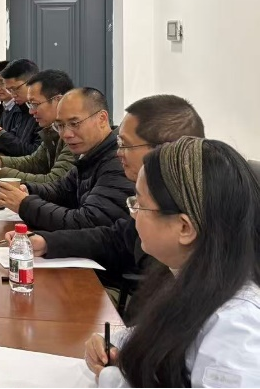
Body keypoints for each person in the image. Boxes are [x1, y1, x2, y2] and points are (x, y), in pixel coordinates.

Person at [3, 95, 206, 318]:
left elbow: (92, 222)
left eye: (125, 145)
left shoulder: (185, 211)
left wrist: (26, 204)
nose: (119, 152)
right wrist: (47, 242)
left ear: (164, 150)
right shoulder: (154, 190)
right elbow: (115, 237)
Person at [84, 137, 260, 387]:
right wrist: (111, 342)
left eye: (140, 204)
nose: (133, 213)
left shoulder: (237, 326)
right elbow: (159, 335)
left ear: (185, 227)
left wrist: (111, 378)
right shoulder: (188, 277)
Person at [0, 88, 132, 231]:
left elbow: (88, 222)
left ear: (102, 119)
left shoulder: (119, 161)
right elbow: (61, 189)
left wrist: (25, 204)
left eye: (74, 124)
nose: (66, 134)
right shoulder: (90, 153)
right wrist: (28, 190)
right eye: (59, 126)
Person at [0, 69, 75, 185]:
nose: (31, 111)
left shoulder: (74, 134)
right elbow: (35, 162)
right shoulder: (53, 129)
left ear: (58, 100)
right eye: (29, 104)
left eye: (35, 104)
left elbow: (54, 182)